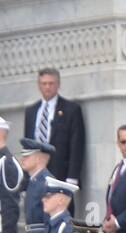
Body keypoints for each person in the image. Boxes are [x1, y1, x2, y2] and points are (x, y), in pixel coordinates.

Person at [23, 68, 85, 199]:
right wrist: (26, 178)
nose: (47, 87)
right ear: (39, 85)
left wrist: (72, 178)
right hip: (36, 174)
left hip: (60, 175)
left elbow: (76, 145)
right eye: (44, 83)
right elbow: (27, 145)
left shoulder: (71, 110)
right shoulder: (31, 111)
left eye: (51, 83)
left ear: (58, 85)